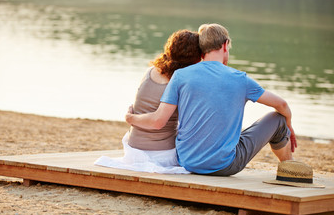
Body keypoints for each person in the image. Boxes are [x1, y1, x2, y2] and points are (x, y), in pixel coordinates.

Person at [125, 23, 297, 176]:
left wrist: (131, 118)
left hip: (187, 161)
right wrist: (289, 125)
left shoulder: (180, 75)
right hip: (224, 166)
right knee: (278, 119)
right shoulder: (240, 78)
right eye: (229, 48)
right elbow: (281, 104)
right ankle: (289, 170)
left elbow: (159, 119)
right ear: (224, 45)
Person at [95, 29, 202, 173]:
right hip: (162, 155)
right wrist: (130, 118)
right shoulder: (181, 82)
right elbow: (158, 122)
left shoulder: (150, 71)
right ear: (195, 57)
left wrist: (132, 118)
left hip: (133, 149)